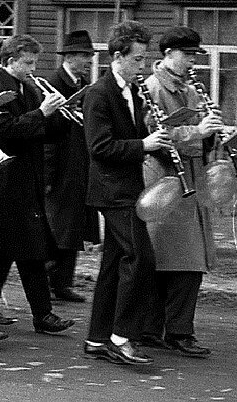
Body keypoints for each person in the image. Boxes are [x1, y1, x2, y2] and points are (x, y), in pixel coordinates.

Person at [82, 20, 171, 365]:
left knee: (114, 264)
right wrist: (143, 144)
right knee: (141, 259)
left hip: (127, 188)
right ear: (117, 57)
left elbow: (134, 139)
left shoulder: (132, 92)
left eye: (145, 60)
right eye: (137, 60)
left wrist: (152, 134)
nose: (143, 67)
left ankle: (97, 339)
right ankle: (121, 338)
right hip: (112, 191)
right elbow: (99, 147)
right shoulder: (98, 94)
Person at [139, 27, 224, 357]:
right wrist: (197, 131)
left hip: (188, 179)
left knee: (181, 260)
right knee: (179, 260)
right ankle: (174, 331)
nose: (192, 61)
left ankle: (159, 328)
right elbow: (154, 133)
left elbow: (194, 137)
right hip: (165, 181)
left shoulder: (188, 88)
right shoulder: (153, 87)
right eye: (188, 55)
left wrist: (212, 133)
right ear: (169, 53)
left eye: (194, 56)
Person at [0, 34, 76, 335]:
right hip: (6, 180)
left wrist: (63, 116)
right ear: (10, 61)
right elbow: (5, 132)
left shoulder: (28, 87)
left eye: (35, 62)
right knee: (9, 251)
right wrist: (42, 113)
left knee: (24, 250)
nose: (33, 68)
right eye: (28, 63)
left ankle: (34, 313)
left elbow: (42, 131)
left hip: (28, 179)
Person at [43, 30, 99, 302]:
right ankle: (48, 282)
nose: (89, 60)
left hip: (78, 164)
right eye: (85, 56)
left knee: (73, 226)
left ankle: (62, 283)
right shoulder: (54, 83)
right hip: (60, 166)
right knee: (57, 227)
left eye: (89, 56)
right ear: (71, 57)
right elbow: (48, 134)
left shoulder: (82, 83)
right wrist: (48, 174)